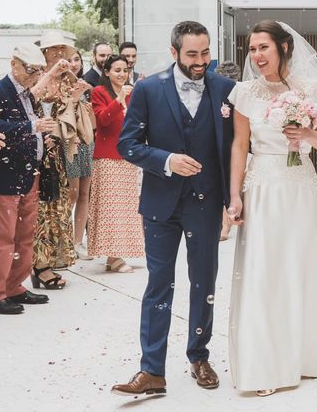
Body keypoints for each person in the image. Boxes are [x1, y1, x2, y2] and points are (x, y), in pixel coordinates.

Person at [226, 20, 317, 397]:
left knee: (302, 267)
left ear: (284, 48)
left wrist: (306, 135)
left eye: (263, 47)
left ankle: (304, 355)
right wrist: (235, 196)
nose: (256, 55)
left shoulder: (312, 89)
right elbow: (239, 146)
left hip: (302, 189)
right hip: (263, 186)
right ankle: (264, 361)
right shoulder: (244, 93)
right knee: (264, 270)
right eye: (252, 49)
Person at [112, 21, 234, 396]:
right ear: (174, 52)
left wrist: (232, 203)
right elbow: (127, 144)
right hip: (160, 205)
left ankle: (199, 356)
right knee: (158, 285)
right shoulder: (149, 89)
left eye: (205, 53)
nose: (200, 62)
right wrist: (166, 160)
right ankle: (152, 370)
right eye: (192, 55)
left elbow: (235, 149)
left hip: (207, 202)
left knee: (204, 283)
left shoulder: (227, 90)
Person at [0, 44, 55, 314]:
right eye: (30, 69)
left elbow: (31, 125)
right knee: (4, 238)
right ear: (14, 64)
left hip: (29, 173)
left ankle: (14, 286)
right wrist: (32, 128)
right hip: (5, 175)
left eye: (38, 70)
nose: (34, 75)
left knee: (25, 236)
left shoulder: (29, 96)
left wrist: (41, 137)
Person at [30, 31, 92, 288]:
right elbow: (30, 98)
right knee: (38, 210)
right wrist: (50, 75)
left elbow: (72, 116)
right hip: (34, 150)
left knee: (58, 205)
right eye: (52, 49)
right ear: (43, 52)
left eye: (61, 49)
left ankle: (52, 261)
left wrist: (76, 98)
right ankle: (37, 265)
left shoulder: (69, 79)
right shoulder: (33, 74)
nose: (57, 53)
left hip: (57, 151)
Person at [87, 55, 144, 273]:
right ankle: (113, 255)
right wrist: (119, 98)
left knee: (126, 209)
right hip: (107, 157)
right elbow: (102, 120)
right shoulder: (99, 92)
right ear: (107, 72)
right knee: (110, 209)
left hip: (129, 156)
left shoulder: (133, 93)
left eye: (125, 70)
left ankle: (116, 254)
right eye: (117, 70)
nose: (122, 74)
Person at [64, 49, 95, 260]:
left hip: (87, 143)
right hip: (69, 145)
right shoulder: (60, 85)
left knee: (85, 194)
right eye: (70, 59)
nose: (74, 63)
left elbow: (93, 121)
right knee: (71, 195)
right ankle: (64, 241)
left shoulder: (86, 86)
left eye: (77, 59)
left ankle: (77, 242)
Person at [212, 61, 242, 241]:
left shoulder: (240, 93)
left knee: (230, 182)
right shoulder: (215, 93)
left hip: (234, 142)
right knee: (222, 181)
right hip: (220, 142)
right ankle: (224, 223)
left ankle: (227, 223)